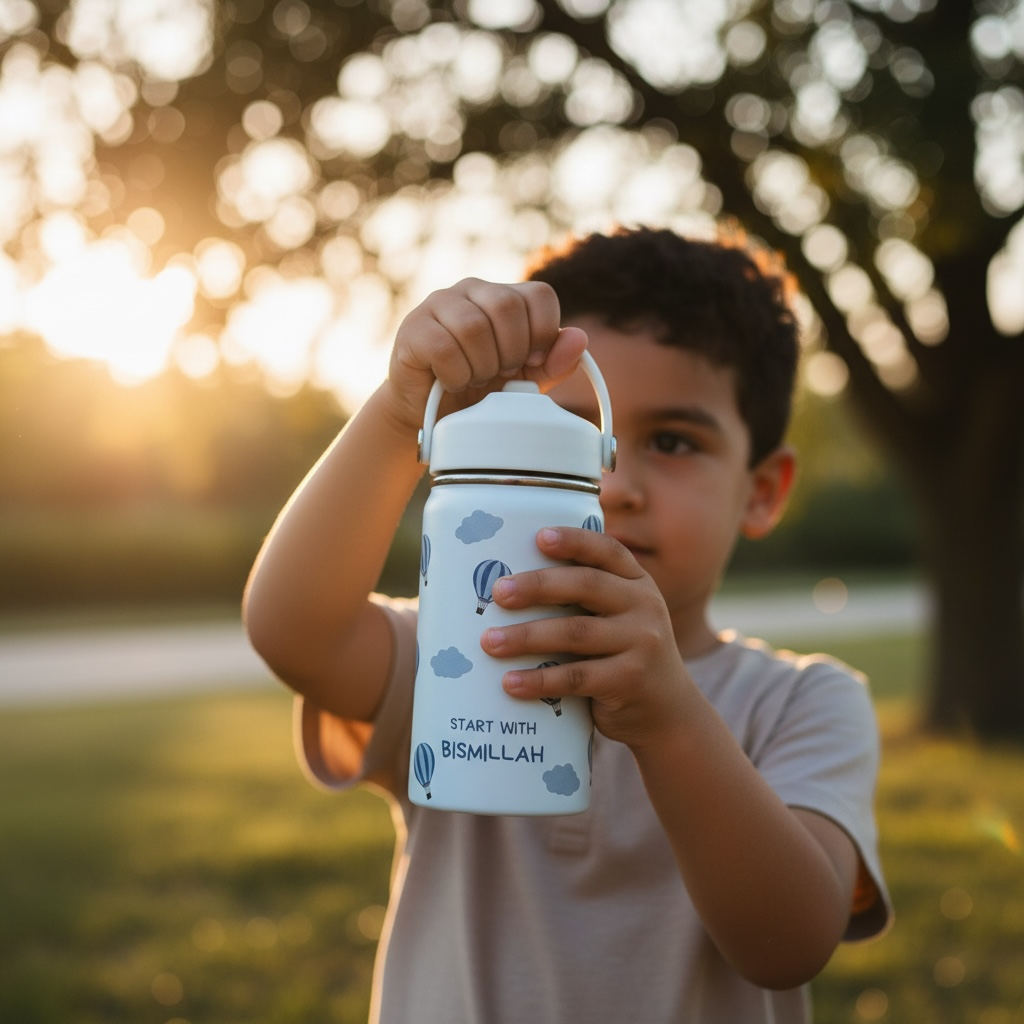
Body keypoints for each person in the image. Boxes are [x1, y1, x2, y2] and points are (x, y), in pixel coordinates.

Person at [243, 225, 891, 1023]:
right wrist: (396, 415)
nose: (612, 480)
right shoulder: (461, 646)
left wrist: (669, 719)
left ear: (761, 489)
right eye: (574, 430)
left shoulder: (801, 703)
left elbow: (788, 943)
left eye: (673, 441)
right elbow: (292, 632)